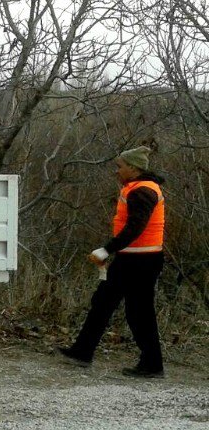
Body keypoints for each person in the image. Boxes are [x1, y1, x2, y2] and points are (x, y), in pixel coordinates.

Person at [58, 146, 167, 378]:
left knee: (137, 312)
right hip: (133, 258)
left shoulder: (142, 191)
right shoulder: (138, 188)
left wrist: (106, 249)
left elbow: (135, 227)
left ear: (134, 168)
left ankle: (153, 364)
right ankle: (82, 351)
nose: (117, 171)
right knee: (103, 302)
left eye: (120, 166)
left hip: (141, 261)